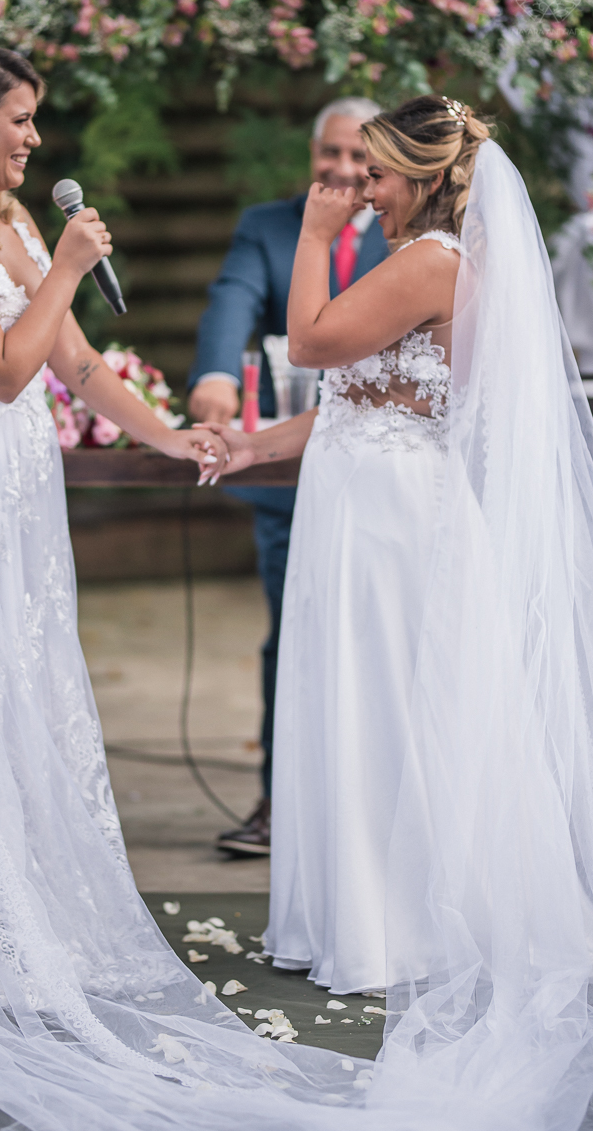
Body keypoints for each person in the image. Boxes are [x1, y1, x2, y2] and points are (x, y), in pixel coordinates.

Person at [0, 37, 384, 1130]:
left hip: (17, 512)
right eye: (17, 121)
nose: (34, 139)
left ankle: (6, 930)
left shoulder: (22, 222)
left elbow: (76, 363)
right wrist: (71, 265)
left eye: (34, 120)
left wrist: (175, 439)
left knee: (17, 703)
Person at [200, 95, 593, 1126]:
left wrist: (311, 235)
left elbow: (309, 342)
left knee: (392, 709)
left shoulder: (433, 260)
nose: (364, 189)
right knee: (352, 703)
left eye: (380, 172)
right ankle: (360, 914)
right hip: (365, 505)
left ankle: (406, 928)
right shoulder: (424, 257)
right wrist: (250, 446)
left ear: (424, 176)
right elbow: (361, 397)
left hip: (393, 525)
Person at [188, 97, 389, 856]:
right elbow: (229, 301)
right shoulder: (266, 224)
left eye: (356, 158)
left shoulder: (409, 236)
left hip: (383, 472)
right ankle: (281, 802)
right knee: (294, 628)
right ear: (310, 156)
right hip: (288, 469)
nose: (340, 171)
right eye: (327, 156)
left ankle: (372, 803)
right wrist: (213, 380)